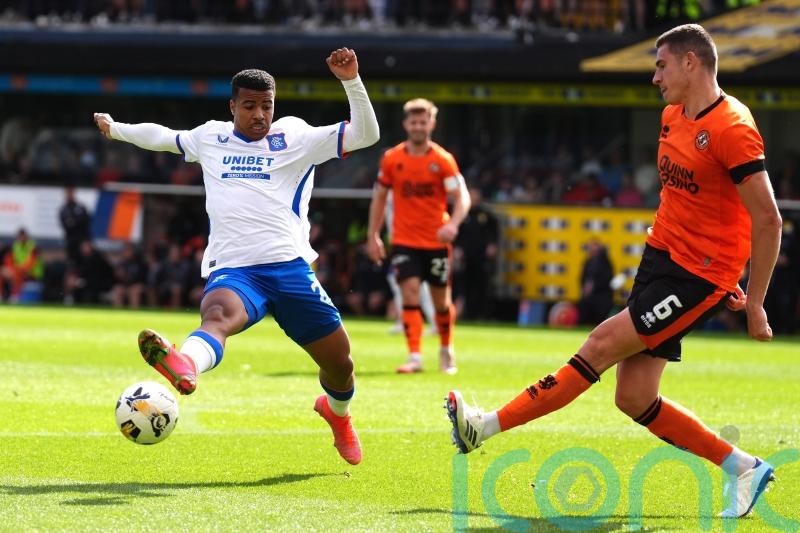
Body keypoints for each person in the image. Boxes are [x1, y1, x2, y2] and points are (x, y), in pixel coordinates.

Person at [446, 24, 782, 519]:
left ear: (691, 62)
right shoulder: (671, 116)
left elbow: (768, 219)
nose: (655, 77)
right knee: (634, 397)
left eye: (661, 65)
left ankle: (484, 426)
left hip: (697, 277)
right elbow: (692, 198)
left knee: (600, 345)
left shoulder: (733, 126)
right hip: (661, 260)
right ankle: (745, 469)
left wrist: (754, 302)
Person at [93, 48, 379, 465]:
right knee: (217, 316)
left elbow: (366, 135)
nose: (259, 114)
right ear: (232, 107)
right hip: (236, 269)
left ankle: (338, 415)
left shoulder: (297, 137)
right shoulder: (211, 137)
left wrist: (351, 81)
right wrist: (116, 129)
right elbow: (164, 137)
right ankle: (185, 365)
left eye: (266, 105)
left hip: (290, 268)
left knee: (340, 365)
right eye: (249, 106)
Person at [366, 98, 471, 374]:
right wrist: (373, 235)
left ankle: (446, 349)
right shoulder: (392, 159)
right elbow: (379, 198)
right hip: (404, 240)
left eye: (423, 122)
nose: (418, 126)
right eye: (413, 122)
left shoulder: (442, 161)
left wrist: (454, 224)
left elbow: (462, 197)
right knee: (409, 294)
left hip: (436, 241)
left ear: (431, 124)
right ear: (405, 124)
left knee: (440, 302)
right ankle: (414, 356)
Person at [577, 239, 614, 325]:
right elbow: (583, 277)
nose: (591, 250)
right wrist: (585, 288)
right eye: (590, 247)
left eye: (594, 247)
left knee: (599, 322)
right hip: (588, 298)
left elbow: (607, 279)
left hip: (601, 298)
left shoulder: (605, 262)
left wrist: (593, 287)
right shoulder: (588, 261)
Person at [0, 228, 43, 303]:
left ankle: (15, 296)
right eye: (19, 236)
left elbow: (30, 264)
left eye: (22, 236)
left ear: (26, 236)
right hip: (19, 270)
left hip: (33, 273)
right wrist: (9, 269)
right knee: (2, 272)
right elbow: (9, 260)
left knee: (17, 274)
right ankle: (1, 295)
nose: (21, 238)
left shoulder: (33, 247)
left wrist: (16, 269)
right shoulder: (15, 246)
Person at [59, 186, 91, 266]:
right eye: (68, 193)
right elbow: (66, 226)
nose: (69, 195)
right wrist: (77, 221)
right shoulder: (63, 210)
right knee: (72, 263)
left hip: (82, 240)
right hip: (71, 242)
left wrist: (73, 222)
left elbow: (86, 222)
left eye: (71, 193)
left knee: (84, 263)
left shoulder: (81, 207)